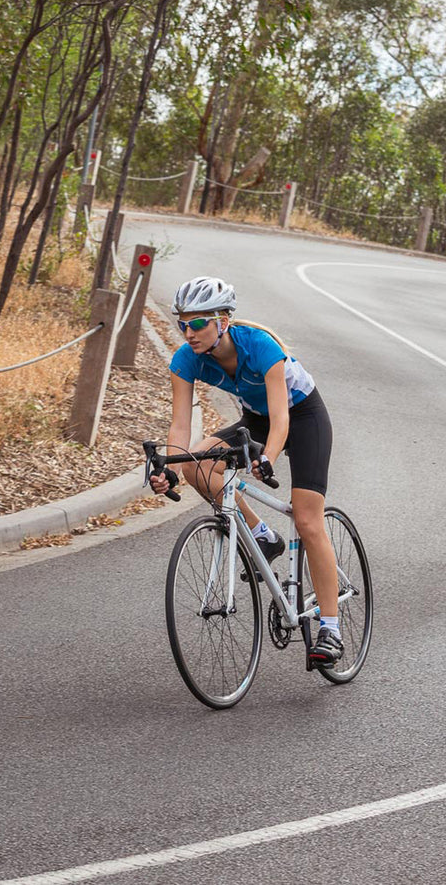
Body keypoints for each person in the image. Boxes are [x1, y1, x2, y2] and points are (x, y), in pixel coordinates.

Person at [148, 276, 343, 664]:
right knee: (196, 465)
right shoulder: (186, 359)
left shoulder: (260, 346)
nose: (189, 332)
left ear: (223, 320)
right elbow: (181, 425)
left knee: (307, 519)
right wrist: (170, 465)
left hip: (302, 417)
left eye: (198, 323)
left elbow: (282, 419)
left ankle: (330, 629)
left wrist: (267, 456)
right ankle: (261, 534)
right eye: (182, 323)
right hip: (254, 419)